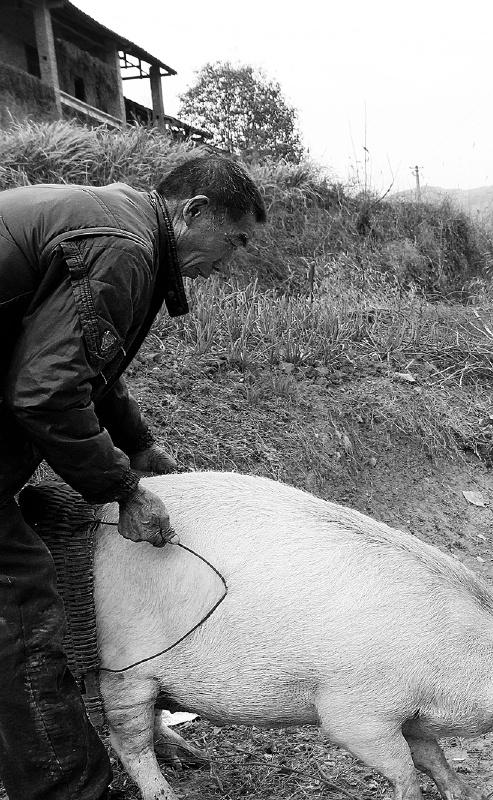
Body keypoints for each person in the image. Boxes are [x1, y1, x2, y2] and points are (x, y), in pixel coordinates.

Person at [0, 156, 266, 800]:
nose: (230, 262)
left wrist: (139, 447)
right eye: (234, 241)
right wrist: (121, 490)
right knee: (23, 606)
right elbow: (46, 392)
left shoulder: (119, 222)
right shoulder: (123, 248)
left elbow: (90, 364)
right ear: (193, 211)